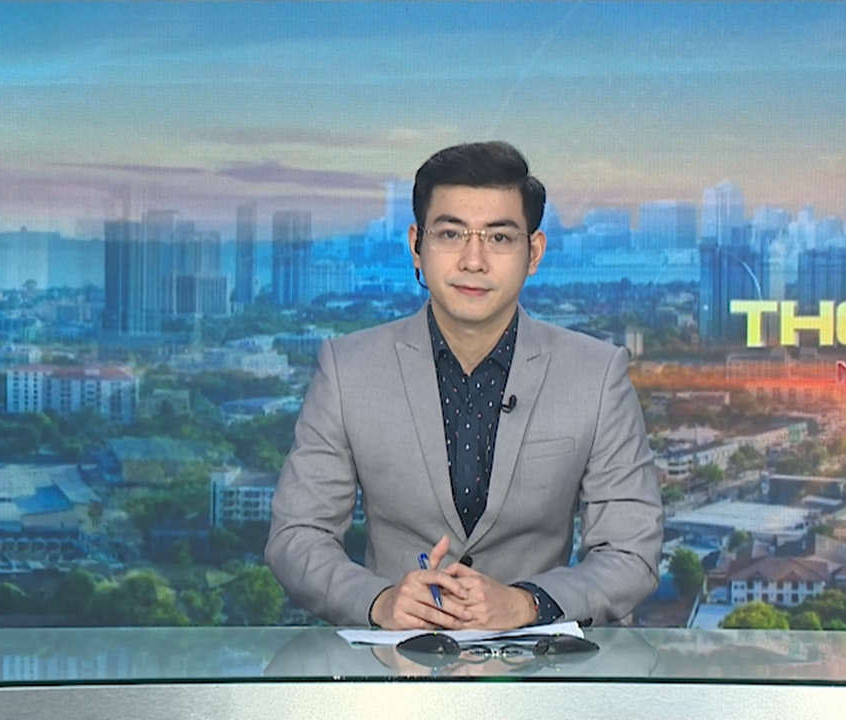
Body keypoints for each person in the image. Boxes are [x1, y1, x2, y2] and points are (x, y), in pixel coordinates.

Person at [266, 141, 662, 630]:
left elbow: (630, 553)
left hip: (540, 666)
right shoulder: (348, 369)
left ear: (534, 253)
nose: (473, 261)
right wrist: (381, 602)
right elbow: (297, 536)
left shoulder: (597, 374)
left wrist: (526, 604)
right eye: (451, 234)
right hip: (394, 666)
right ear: (417, 245)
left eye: (499, 238)